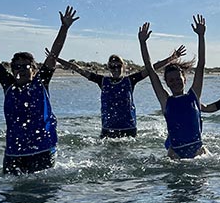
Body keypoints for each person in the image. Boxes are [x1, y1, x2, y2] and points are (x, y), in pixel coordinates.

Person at [0, 7, 79, 174]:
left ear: (34, 69)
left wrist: (64, 27)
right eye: (16, 67)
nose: (20, 70)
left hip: (42, 150)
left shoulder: (40, 81)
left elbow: (53, 54)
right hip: (14, 153)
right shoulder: (9, 85)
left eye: (25, 66)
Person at [55, 47, 186, 138]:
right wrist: (57, 59)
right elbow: (78, 69)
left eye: (118, 66)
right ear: (109, 68)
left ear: (123, 66)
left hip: (128, 130)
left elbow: (151, 69)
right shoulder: (102, 81)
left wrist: (172, 58)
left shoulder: (130, 80)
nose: (115, 69)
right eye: (112, 66)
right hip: (108, 131)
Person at [138, 16, 207, 159]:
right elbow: (151, 70)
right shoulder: (165, 101)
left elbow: (200, 65)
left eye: (178, 79)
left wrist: (201, 36)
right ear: (167, 83)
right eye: (171, 80)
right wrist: (142, 43)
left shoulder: (194, 95)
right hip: (175, 155)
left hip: (198, 154)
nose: (175, 82)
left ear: (184, 79)